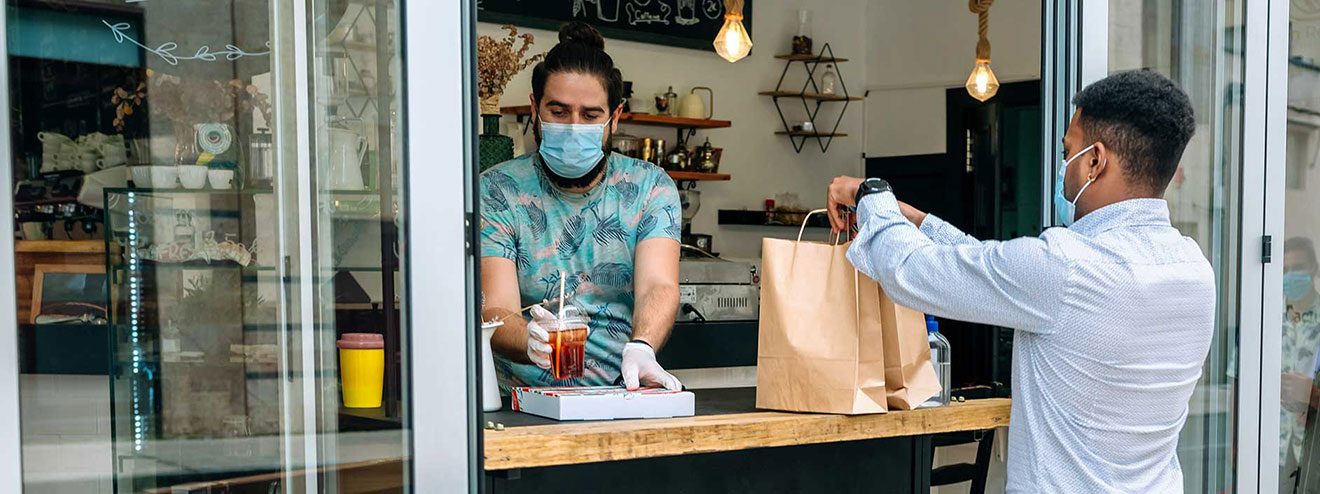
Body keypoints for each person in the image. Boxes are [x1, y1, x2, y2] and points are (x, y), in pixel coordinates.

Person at [825, 70, 1213, 492]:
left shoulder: (1065, 267)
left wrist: (871, 195)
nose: (1063, 168)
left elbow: (911, 272)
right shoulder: (1194, 268)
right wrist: (916, 220)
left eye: (1068, 152)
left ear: (1095, 161)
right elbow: (994, 272)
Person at [479, 22, 683, 391]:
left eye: (590, 116)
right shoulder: (498, 190)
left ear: (615, 118)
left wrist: (642, 346)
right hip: (522, 403)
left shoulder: (651, 187)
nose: (574, 127)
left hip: (624, 392)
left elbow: (658, 284)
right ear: (534, 109)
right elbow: (497, 308)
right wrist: (530, 343)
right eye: (558, 112)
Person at [1281, 237, 1320, 491]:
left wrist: (1311, 394)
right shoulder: (1263, 318)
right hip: (1271, 446)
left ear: (1314, 268)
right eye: (1285, 270)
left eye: (1298, 268)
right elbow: (1239, 380)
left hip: (1313, 448)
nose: (1291, 276)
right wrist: (1237, 447)